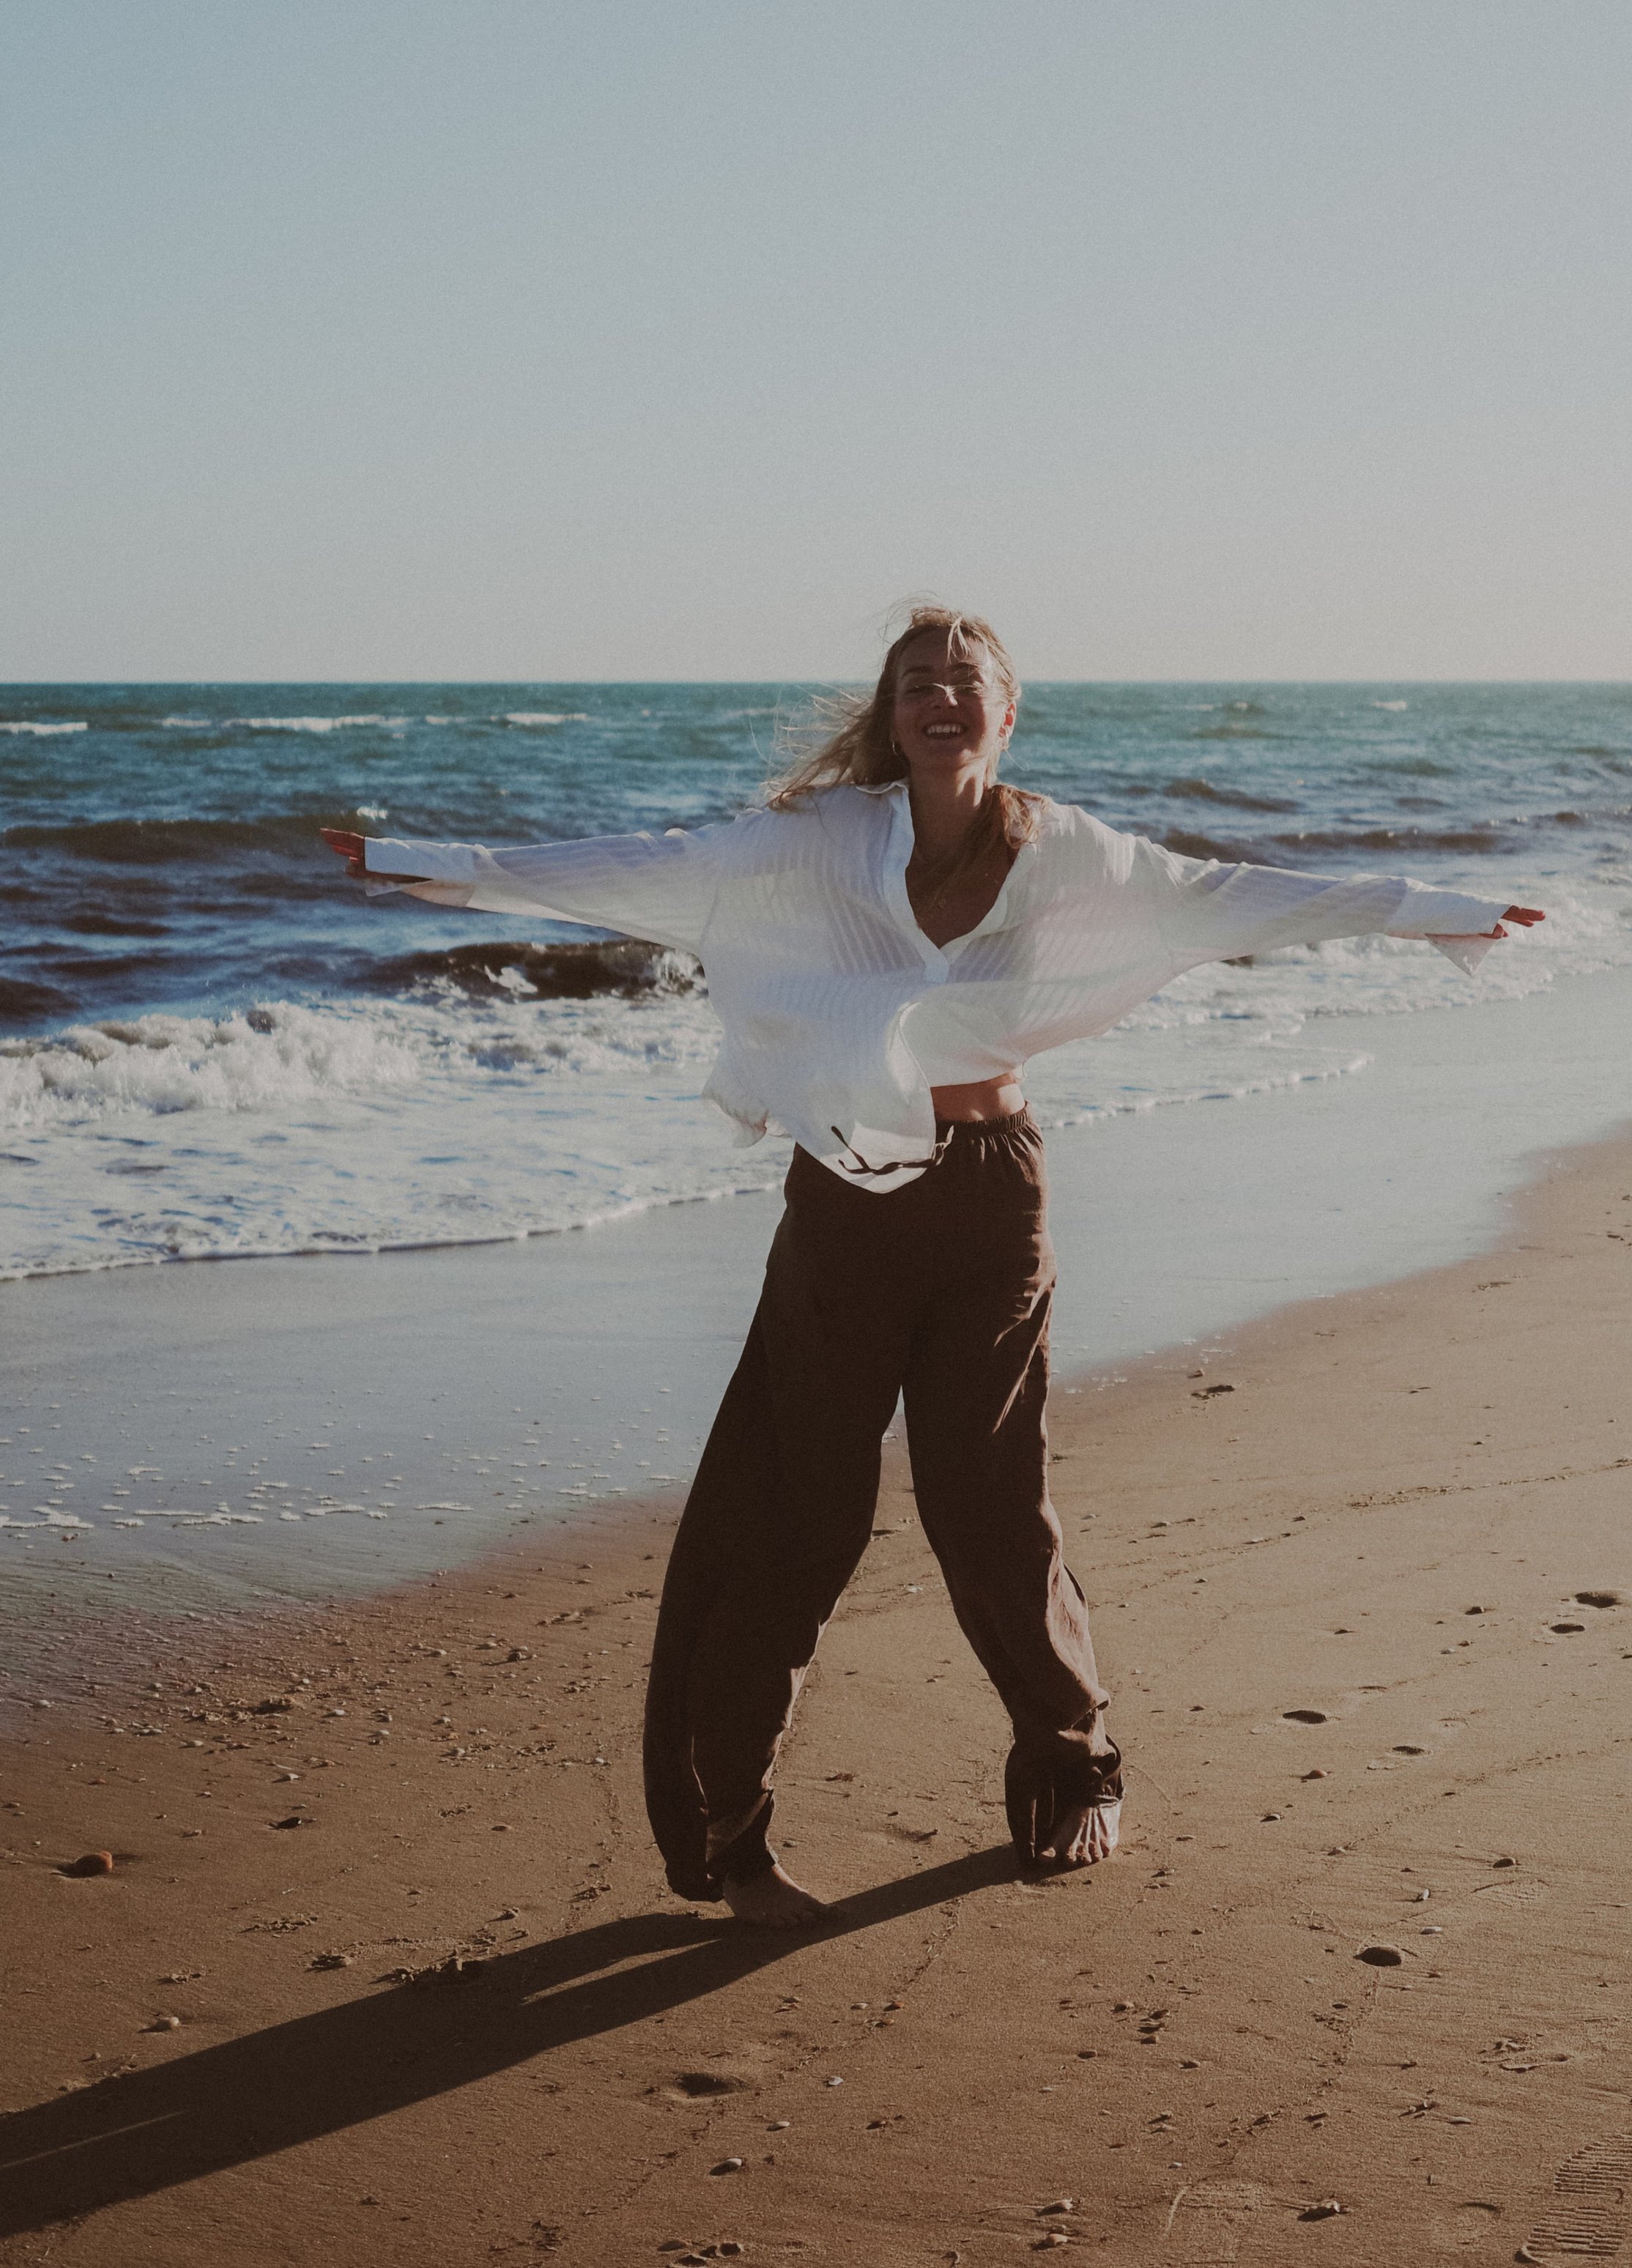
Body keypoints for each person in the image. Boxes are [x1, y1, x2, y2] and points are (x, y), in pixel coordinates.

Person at [323, 608, 1542, 1927]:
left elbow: (1218, 898)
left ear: (1007, 714)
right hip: (846, 1205)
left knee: (992, 1502)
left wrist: (1441, 912)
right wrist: (418, 863)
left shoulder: (1062, 851)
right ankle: (735, 1838)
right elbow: (651, 869)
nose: (940, 699)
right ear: (890, 715)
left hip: (992, 1195)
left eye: (965, 681)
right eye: (918, 684)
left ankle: (1074, 1765)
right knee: (803, 1514)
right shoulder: (820, 844)